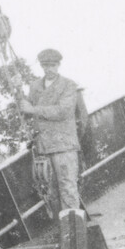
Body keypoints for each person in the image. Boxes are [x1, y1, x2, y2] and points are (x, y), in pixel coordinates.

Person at [18, 48, 90, 222]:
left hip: (64, 145)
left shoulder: (68, 85)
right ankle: (62, 231)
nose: (48, 69)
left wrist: (33, 109)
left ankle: (74, 231)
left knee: (68, 187)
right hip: (43, 146)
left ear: (58, 65)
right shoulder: (35, 86)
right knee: (52, 191)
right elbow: (25, 110)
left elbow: (63, 111)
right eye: (45, 66)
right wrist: (18, 90)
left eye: (52, 65)